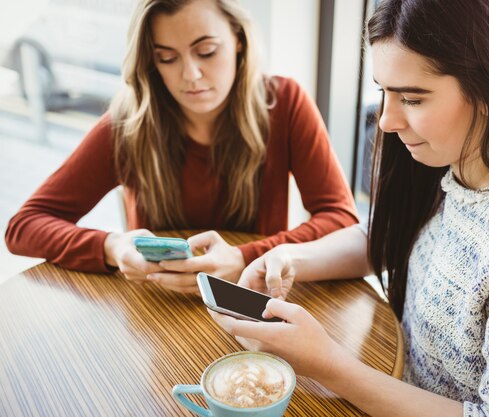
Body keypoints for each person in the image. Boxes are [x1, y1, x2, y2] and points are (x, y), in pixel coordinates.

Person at [209, 0, 489, 416]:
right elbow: (391, 235)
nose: (387, 120)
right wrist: (288, 257)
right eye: (383, 91)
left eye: (412, 98)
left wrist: (329, 365)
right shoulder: (459, 163)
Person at [4, 0, 358, 292]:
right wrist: (113, 246)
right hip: (155, 308)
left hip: (255, 295)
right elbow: (24, 226)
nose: (190, 75)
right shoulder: (128, 123)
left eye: (206, 51)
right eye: (167, 58)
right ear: (150, 60)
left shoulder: (285, 103)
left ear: (238, 40)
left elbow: (341, 220)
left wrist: (244, 257)